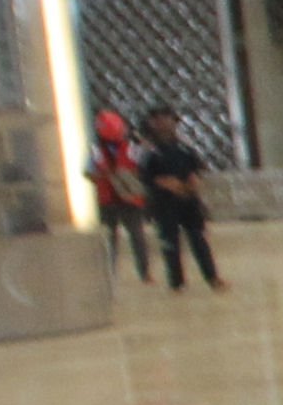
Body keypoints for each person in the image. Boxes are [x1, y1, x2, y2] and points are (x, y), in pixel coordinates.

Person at [134, 108, 222, 293]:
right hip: (164, 203)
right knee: (170, 241)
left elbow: (196, 168)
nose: (164, 123)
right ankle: (176, 282)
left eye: (168, 119)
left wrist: (192, 181)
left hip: (188, 200)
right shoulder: (149, 150)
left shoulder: (184, 147)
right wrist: (164, 183)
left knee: (198, 238)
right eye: (158, 120)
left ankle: (212, 277)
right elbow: (144, 175)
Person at [87, 109, 152, 280]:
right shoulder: (96, 151)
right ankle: (110, 273)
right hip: (109, 200)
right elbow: (89, 173)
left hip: (130, 199)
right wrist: (105, 176)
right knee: (110, 239)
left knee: (137, 236)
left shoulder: (132, 148)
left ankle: (144, 272)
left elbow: (144, 167)